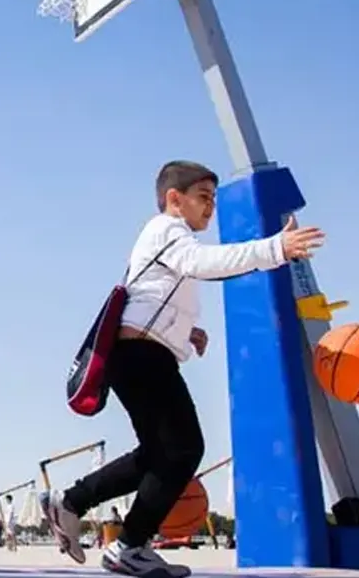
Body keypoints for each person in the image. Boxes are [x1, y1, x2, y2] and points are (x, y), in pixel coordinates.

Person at [42, 160, 325, 578]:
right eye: (203, 197)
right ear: (175, 199)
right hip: (141, 355)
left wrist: (186, 331)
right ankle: (128, 545)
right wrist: (275, 249)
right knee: (184, 449)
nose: (210, 206)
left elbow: (150, 293)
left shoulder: (167, 237)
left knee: (159, 453)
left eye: (213, 199)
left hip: (139, 352)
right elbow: (202, 263)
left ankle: (72, 503)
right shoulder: (168, 229)